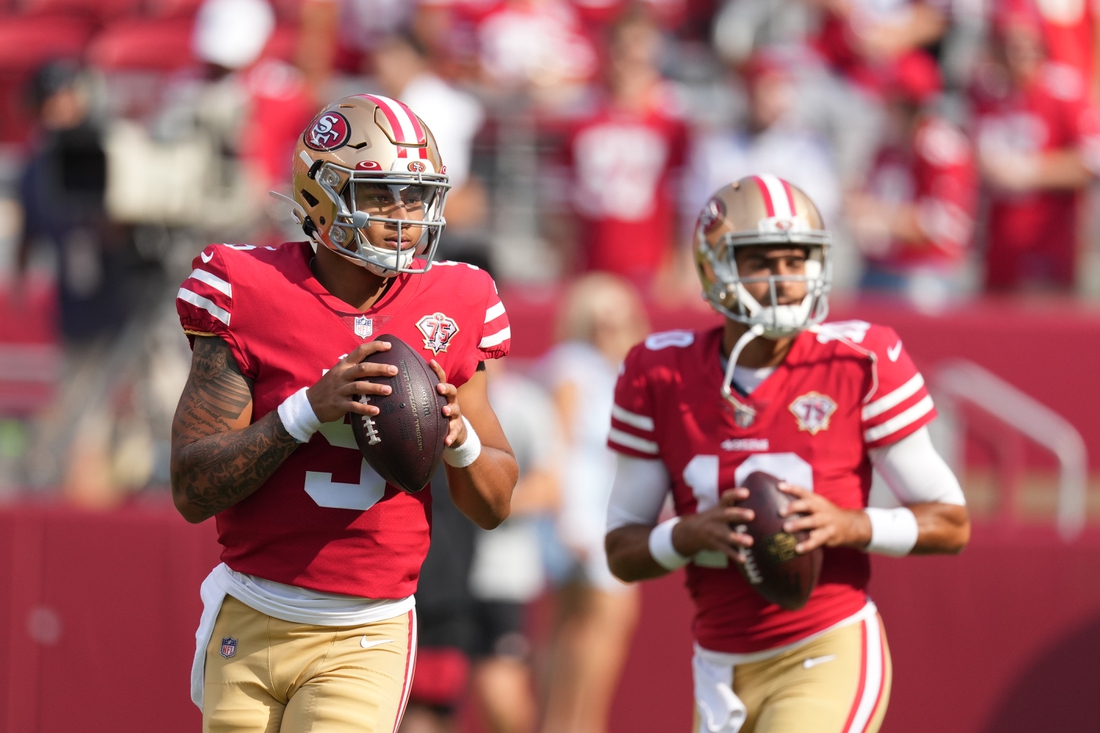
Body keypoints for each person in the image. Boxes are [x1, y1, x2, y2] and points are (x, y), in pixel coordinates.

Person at [170, 93, 519, 733]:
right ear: (320, 194)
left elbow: (495, 505)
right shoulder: (247, 287)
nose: (403, 218)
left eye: (416, 198)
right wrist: (305, 412)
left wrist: (459, 437)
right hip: (251, 608)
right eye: (380, 195)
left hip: (368, 629)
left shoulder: (457, 299)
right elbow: (192, 489)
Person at [603, 175, 971, 733]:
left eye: (796, 261)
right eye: (760, 261)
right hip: (718, 667)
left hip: (826, 647)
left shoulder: (860, 359)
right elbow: (622, 551)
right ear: (713, 268)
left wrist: (849, 524)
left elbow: (951, 523)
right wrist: (688, 534)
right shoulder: (658, 372)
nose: (784, 280)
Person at [537, 273, 649, 733]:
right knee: (589, 625)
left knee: (584, 626)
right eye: (602, 319)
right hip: (581, 512)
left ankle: (574, 723)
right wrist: (568, 519)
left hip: (606, 509)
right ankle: (568, 724)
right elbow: (557, 445)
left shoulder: (617, 371)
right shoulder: (572, 365)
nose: (613, 329)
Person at [971, 0, 1100, 292]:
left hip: (1047, 244)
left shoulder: (1064, 91)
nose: (1019, 54)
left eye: (1027, 45)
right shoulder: (986, 94)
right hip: (996, 246)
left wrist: (1029, 171)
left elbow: (1091, 161)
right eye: (1009, 45)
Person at [848, 51, 977, 308]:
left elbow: (941, 225)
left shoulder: (941, 148)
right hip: (879, 267)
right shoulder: (887, 146)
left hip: (926, 271)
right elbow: (860, 201)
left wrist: (882, 218)